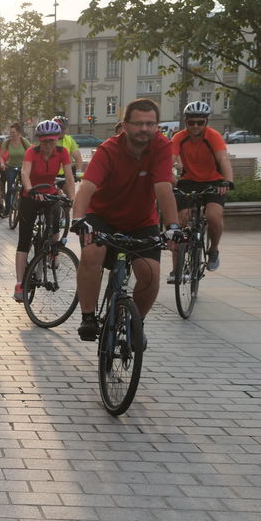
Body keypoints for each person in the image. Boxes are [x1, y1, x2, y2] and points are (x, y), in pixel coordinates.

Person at [70, 98, 181, 342]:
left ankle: (135, 324)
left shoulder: (162, 147)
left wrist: (172, 227)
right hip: (103, 217)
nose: (144, 129)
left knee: (151, 274)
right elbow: (87, 187)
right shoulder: (109, 150)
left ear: (157, 125)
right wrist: (79, 219)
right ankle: (88, 317)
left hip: (141, 221)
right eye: (139, 123)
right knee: (91, 254)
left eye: (151, 124)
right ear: (125, 125)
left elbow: (163, 187)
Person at [169, 100, 234, 278]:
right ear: (185, 122)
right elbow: (170, 160)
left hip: (214, 182)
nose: (196, 126)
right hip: (189, 181)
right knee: (180, 222)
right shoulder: (179, 138)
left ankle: (213, 249)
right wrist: (169, 179)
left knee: (213, 216)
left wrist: (227, 181)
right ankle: (176, 269)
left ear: (206, 122)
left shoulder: (213, 136)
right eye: (191, 122)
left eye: (200, 122)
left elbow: (223, 159)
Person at [12, 121, 71, 301]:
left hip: (50, 195)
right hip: (31, 196)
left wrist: (72, 199)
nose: (48, 145)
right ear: (39, 141)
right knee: (24, 240)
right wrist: (30, 190)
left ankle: (53, 252)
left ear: (57, 140)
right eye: (44, 142)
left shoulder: (62, 152)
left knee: (54, 224)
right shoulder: (32, 152)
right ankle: (20, 284)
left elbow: (69, 176)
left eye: (51, 141)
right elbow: (25, 173)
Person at [0, 122, 30, 213]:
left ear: (19, 133)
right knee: (10, 188)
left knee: (25, 188)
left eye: (13, 132)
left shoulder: (24, 142)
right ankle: (7, 209)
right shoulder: (7, 142)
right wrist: (2, 163)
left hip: (23, 167)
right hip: (11, 167)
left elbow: (31, 151)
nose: (11, 134)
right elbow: (0, 155)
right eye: (10, 132)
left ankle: (24, 208)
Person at [54, 115, 85, 181]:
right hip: (50, 175)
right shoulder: (48, 140)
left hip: (65, 174)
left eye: (65, 128)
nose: (63, 131)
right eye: (61, 128)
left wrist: (79, 174)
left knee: (70, 190)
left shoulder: (69, 139)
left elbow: (78, 158)